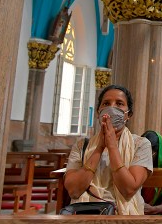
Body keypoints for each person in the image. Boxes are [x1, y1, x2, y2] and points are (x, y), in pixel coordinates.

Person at [64, 85, 152, 215]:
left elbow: (128, 189)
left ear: (129, 114)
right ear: (99, 111)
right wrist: (99, 147)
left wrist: (112, 147)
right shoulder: (82, 145)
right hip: (85, 212)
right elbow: (74, 190)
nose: (112, 108)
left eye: (119, 103)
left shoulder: (140, 144)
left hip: (122, 214)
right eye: (106, 103)